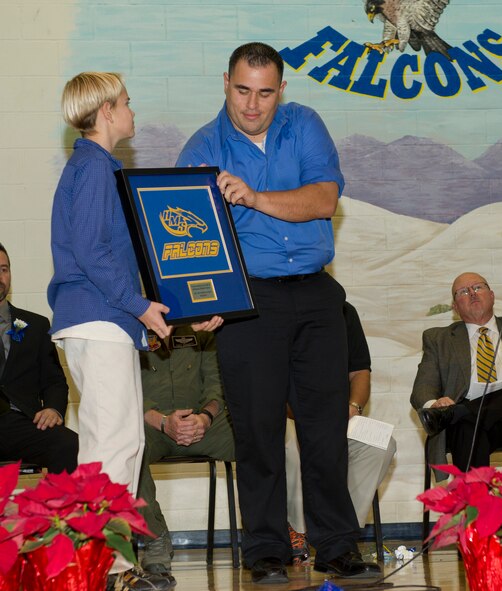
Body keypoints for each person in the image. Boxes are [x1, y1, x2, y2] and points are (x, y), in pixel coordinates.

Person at [177, 42, 378, 583]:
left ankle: (337, 546)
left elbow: (322, 200)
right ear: (225, 82)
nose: (252, 104)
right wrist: (201, 302)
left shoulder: (304, 124)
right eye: (242, 90)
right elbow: (185, 241)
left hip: (317, 293)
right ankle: (265, 548)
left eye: (265, 93)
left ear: (281, 90)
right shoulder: (200, 147)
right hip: (249, 299)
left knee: (325, 428)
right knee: (258, 429)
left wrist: (253, 197)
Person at [48, 72, 220, 591]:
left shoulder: (91, 165)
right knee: (112, 449)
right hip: (97, 318)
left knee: (112, 446)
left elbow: (105, 258)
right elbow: (93, 253)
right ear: (104, 112)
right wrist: (140, 305)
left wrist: (154, 318)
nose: (132, 111)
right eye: (125, 103)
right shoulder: (95, 166)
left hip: (102, 320)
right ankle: (102, 567)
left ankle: (102, 563)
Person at [410, 272, 502, 476]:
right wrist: (434, 405)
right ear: (455, 307)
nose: (472, 293)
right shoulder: (439, 339)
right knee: (467, 427)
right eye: (463, 291)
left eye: (478, 287)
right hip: (475, 428)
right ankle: (477, 506)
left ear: (491, 295)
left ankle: (459, 412)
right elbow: (421, 389)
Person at [285, 302, 397, 561]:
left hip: (339, 416)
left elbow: (359, 371)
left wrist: (353, 407)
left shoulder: (343, 311)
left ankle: (341, 534)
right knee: (292, 446)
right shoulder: (279, 312)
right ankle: (299, 531)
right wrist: (305, 416)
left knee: (382, 445)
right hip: (291, 416)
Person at [137, 327, 235, 582]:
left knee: (259, 440)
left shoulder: (200, 328)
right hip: (151, 426)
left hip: (203, 425)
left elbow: (217, 383)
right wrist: (161, 421)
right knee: (128, 450)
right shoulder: (130, 325)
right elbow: (124, 386)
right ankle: (154, 538)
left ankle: (270, 537)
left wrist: (205, 417)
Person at [0, 243, 78, 474]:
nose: (0, 276)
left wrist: (53, 408)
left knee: (70, 445)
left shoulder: (35, 325)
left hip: (22, 423)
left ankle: (57, 509)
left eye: (4, 269)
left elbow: (54, 381)